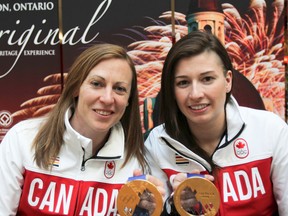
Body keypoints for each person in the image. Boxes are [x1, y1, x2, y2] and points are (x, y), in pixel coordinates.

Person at [0, 43, 165, 215]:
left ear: (129, 100)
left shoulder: (137, 163)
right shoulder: (23, 139)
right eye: (97, 84)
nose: (108, 98)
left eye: (119, 89)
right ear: (75, 88)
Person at [144, 30, 288, 215]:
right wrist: (174, 208)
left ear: (227, 81)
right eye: (183, 83)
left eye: (207, 79)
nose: (195, 94)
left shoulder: (271, 130)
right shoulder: (157, 143)